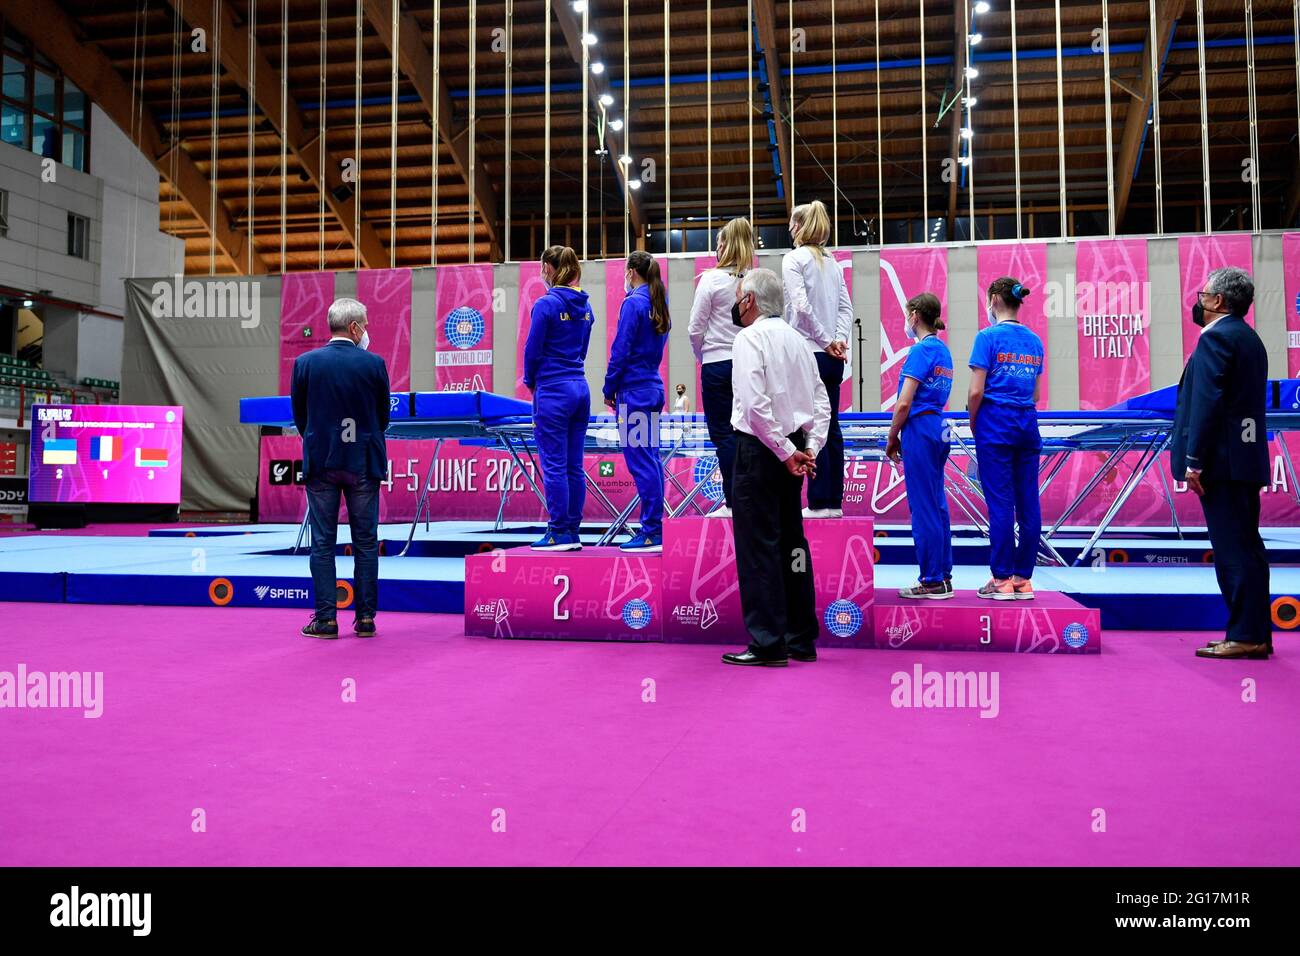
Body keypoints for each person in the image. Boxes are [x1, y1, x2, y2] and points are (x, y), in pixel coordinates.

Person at [722, 268, 831, 667]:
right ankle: (800, 636)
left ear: (749, 300)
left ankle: (767, 642)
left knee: (759, 547)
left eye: (738, 296)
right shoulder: (800, 342)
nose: (735, 304)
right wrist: (810, 448)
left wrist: (786, 452)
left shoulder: (749, 338)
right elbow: (821, 402)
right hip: (795, 448)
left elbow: (753, 406)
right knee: (792, 544)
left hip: (761, 451)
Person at [1172, 267, 1272, 660]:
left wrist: (1194, 460)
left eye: (1203, 294)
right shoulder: (1248, 338)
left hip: (1222, 462)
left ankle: (1246, 634)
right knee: (1249, 548)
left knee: (1233, 551)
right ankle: (1254, 632)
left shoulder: (1217, 339)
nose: (1198, 300)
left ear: (1217, 301)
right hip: (1243, 459)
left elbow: (1207, 403)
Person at [291, 297, 390, 639]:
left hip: (322, 461)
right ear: (354, 327)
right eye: (365, 324)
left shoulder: (305, 363)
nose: (367, 330)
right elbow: (383, 419)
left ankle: (326, 620)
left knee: (322, 542)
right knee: (365, 542)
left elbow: (300, 419)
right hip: (362, 461)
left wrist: (321, 441)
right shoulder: (374, 364)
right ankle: (365, 619)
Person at [968, 277, 1044, 601]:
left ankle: (1000, 579)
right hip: (1027, 426)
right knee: (1029, 502)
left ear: (995, 300)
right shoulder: (1035, 341)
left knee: (1001, 504)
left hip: (995, 426)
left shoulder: (987, 337)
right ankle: (1022, 579)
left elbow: (975, 391)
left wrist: (975, 424)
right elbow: (1036, 394)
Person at [782, 199, 854, 518]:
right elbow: (845, 309)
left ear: (799, 226)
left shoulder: (794, 259)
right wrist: (837, 342)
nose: (788, 229)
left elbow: (799, 307)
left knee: (806, 425)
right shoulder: (833, 263)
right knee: (831, 425)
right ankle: (832, 502)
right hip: (831, 357)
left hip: (806, 353)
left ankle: (816, 500)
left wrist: (825, 342)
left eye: (791, 224)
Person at [523, 245, 595, 551]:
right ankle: (572, 530)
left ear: (548, 269)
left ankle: (558, 532)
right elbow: (583, 350)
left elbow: (532, 350)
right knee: (573, 466)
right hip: (580, 387)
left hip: (553, 389)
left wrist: (531, 381)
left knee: (553, 465)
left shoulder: (546, 304)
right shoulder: (587, 308)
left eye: (542, 267)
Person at [885, 292, 955, 599]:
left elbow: (903, 404)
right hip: (939, 427)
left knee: (924, 506)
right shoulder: (944, 351)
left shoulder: (921, 352)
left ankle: (931, 580)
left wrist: (891, 437)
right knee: (937, 503)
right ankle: (943, 575)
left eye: (905, 315)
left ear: (914, 316)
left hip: (921, 428)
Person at [604, 250, 670, 552]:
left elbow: (620, 350)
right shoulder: (658, 302)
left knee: (642, 461)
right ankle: (655, 527)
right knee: (651, 459)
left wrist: (609, 387)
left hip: (634, 392)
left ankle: (652, 530)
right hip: (652, 388)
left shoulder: (633, 303)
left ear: (631, 272)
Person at [688, 217, 755, 517]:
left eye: (717, 243)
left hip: (717, 363)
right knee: (747, 433)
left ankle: (733, 502)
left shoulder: (711, 280)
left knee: (723, 435)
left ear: (725, 245)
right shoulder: (753, 279)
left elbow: (694, 328)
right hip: (748, 364)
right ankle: (749, 498)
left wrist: (702, 356)